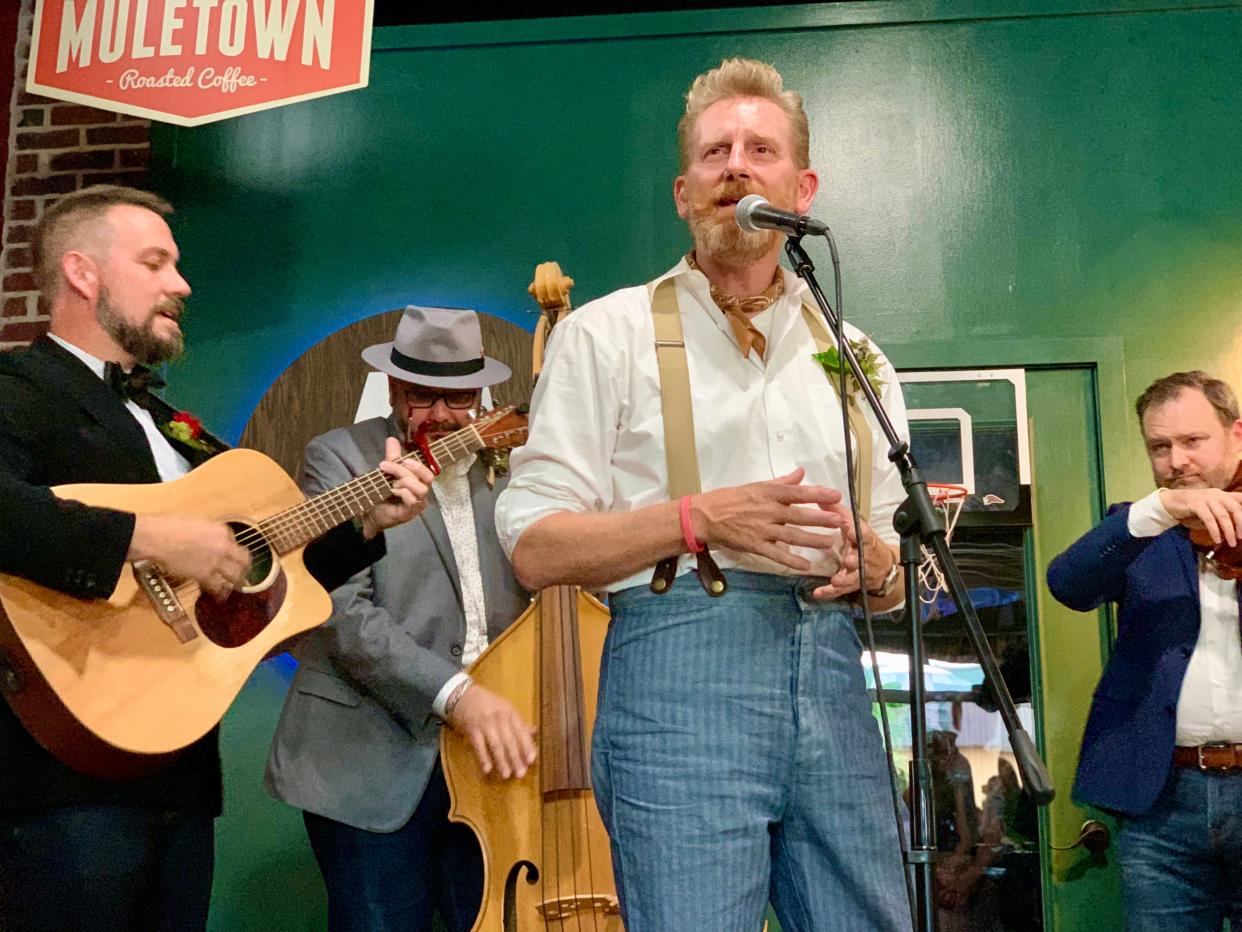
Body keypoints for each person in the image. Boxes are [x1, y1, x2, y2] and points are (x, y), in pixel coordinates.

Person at [495, 58, 911, 930]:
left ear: (801, 186)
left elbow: (894, 563)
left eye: (761, 149)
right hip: (678, 666)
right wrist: (698, 518)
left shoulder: (859, 357)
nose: (736, 165)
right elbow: (534, 545)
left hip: (833, 668)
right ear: (685, 192)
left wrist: (879, 567)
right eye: (716, 152)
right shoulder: (604, 334)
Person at [0, 185, 433, 932]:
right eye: (156, 263)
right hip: (56, 781)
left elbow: (261, 571)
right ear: (82, 273)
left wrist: (365, 524)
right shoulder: (20, 388)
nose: (182, 284)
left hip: (180, 774)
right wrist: (152, 538)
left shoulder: (174, 424)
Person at [265, 306, 536, 932]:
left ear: (480, 393)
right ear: (393, 390)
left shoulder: (516, 465)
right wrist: (457, 694)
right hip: (367, 765)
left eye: (458, 397)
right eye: (422, 396)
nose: (441, 416)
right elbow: (335, 607)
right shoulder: (338, 457)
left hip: (493, 767)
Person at [1047, 370, 1242, 931]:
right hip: (1164, 803)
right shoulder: (1139, 531)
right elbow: (1068, 584)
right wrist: (1153, 512)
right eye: (1160, 446)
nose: (1176, 460)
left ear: (1235, 435)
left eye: (1192, 441)